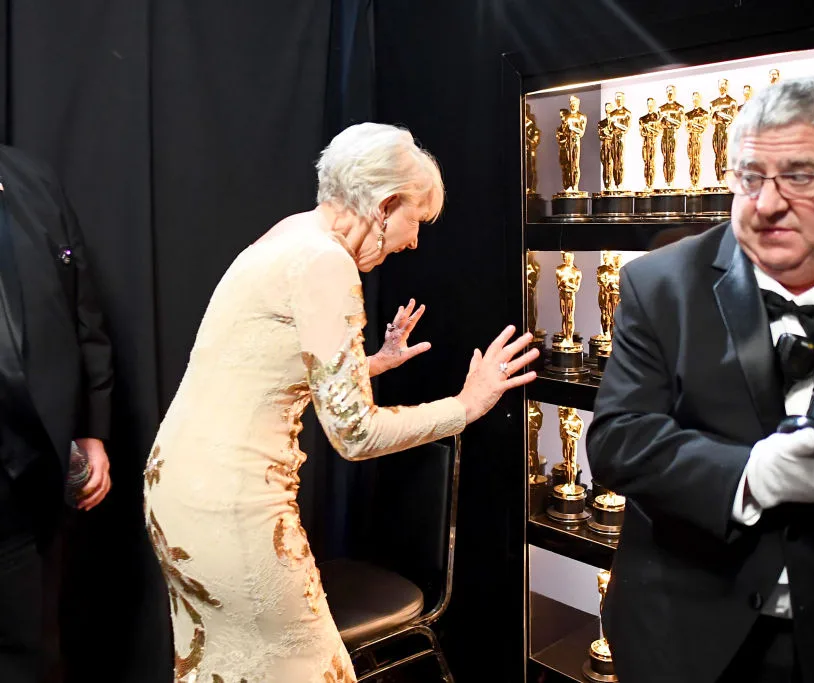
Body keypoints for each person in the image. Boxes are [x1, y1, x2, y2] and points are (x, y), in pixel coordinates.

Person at [142, 122, 539, 682]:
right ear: (384, 204)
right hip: (231, 510)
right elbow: (356, 436)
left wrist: (367, 364)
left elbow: (260, 364)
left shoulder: (291, 235)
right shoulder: (326, 261)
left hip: (180, 492)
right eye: (415, 222)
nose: (414, 242)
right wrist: (466, 405)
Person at [586, 77, 814, 683]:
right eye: (749, 177)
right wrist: (749, 475)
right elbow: (619, 440)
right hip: (684, 634)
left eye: (799, 177)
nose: (767, 204)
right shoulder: (658, 282)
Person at [0, 145, 114, 682]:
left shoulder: (31, 179)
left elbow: (82, 310)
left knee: (32, 649)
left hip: (32, 473)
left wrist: (92, 431)